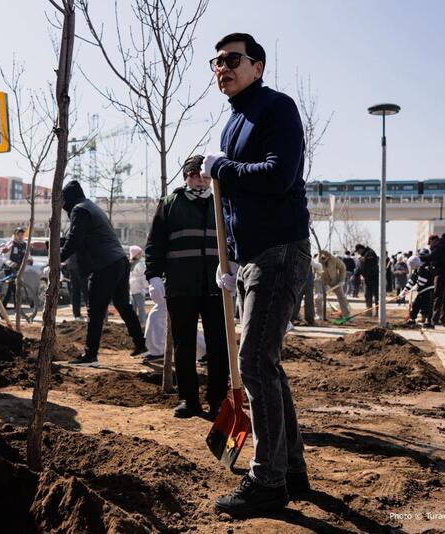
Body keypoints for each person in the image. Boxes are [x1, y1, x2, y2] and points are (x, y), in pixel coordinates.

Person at [202, 32, 311, 516]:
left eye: (232, 59)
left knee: (254, 362)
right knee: (266, 363)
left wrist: (224, 168)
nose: (222, 67)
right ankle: (291, 469)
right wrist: (229, 260)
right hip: (251, 258)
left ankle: (267, 480)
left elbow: (278, 174)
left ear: (258, 66)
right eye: (216, 62)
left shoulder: (276, 108)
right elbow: (232, 204)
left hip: (279, 250)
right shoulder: (233, 122)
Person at [144, 155, 229, 419]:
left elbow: (235, 238)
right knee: (184, 345)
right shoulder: (171, 203)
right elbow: (155, 243)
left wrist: (235, 268)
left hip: (217, 286)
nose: (201, 180)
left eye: (205, 176)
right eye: (195, 175)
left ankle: (218, 400)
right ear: (187, 176)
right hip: (181, 286)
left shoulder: (222, 202)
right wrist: (153, 276)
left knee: (219, 345)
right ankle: (188, 400)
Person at [60, 180, 147, 367]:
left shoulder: (79, 210)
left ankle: (90, 355)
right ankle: (141, 344)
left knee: (95, 310)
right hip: (119, 261)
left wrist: (58, 258)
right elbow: (79, 236)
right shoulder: (91, 207)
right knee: (123, 305)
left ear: (68, 198)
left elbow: (75, 238)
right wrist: (59, 244)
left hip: (104, 265)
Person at [424, 234, 445, 326]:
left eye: (429, 243)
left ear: (431, 241)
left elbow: (431, 257)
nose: (430, 246)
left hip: (441, 274)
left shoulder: (437, 245)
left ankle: (435, 319)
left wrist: (419, 258)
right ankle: (444, 320)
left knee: (438, 296)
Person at [400, 248, 435, 328]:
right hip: (422, 291)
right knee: (416, 305)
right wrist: (404, 291)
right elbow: (411, 281)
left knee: (427, 307)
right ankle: (412, 319)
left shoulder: (423, 269)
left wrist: (414, 288)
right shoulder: (417, 270)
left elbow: (422, 282)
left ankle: (429, 322)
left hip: (428, 290)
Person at [317, 251, 351, 318]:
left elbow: (343, 267)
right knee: (318, 297)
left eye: (325, 258)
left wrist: (342, 280)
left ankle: (346, 314)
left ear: (329, 257)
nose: (324, 260)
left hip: (335, 281)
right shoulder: (317, 260)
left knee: (342, 297)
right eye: (322, 258)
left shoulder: (334, 259)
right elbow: (315, 271)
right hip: (322, 280)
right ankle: (319, 315)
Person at [1, 227, 28, 307]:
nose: (20, 236)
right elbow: (4, 258)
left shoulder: (24, 244)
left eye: (22, 234)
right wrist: (12, 264)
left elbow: (27, 255)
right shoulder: (10, 244)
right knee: (11, 287)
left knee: (16, 288)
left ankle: (16, 307)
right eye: (18, 234)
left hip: (19, 269)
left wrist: (29, 260)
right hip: (9, 269)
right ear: (15, 235)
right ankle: (3, 306)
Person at [354, 243, 379, 316]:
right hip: (367, 278)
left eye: (358, 251)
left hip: (374, 278)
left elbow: (372, 261)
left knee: (376, 295)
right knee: (367, 295)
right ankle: (369, 311)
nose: (358, 253)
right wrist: (356, 274)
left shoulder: (370, 252)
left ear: (360, 249)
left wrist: (364, 259)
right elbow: (360, 267)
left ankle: (378, 311)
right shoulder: (362, 256)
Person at [128, 245, 148, 326]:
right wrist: (146, 286)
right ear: (136, 254)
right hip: (138, 289)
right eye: (139, 253)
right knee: (140, 307)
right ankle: (142, 323)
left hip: (134, 289)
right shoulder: (139, 264)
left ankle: (135, 323)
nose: (141, 255)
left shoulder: (131, 264)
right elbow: (143, 277)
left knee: (134, 307)